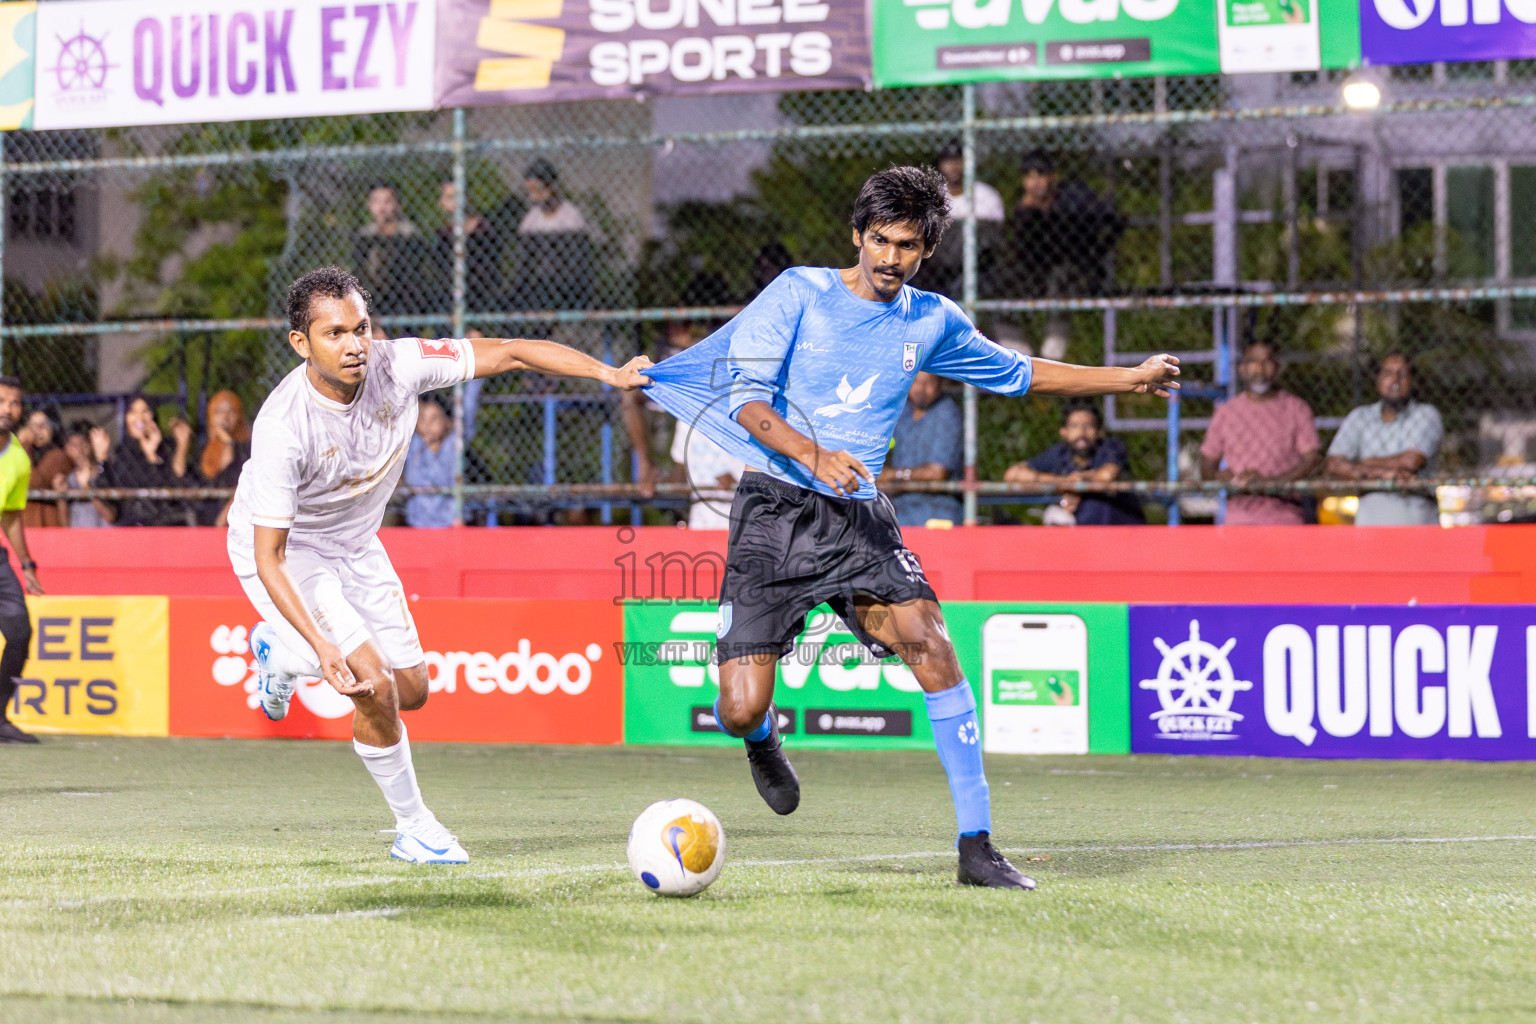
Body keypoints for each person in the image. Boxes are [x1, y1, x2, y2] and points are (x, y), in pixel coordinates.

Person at [641, 167, 1179, 891]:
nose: (892, 258)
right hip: (774, 511)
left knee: (933, 648)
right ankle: (763, 738)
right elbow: (744, 401)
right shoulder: (799, 293)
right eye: (882, 240)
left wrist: (1128, 377)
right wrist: (811, 453)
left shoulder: (932, 320)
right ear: (857, 236)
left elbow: (1020, 373)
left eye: (908, 246)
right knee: (739, 708)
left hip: (858, 517)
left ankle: (977, 845)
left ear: (926, 250)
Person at [228, 265, 649, 863]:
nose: (354, 345)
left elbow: (509, 352)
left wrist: (609, 374)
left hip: (357, 544)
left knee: (412, 692)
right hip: (291, 550)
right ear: (302, 343)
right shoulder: (282, 426)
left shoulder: (399, 364)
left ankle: (281, 654)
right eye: (334, 334)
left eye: (360, 328)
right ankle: (414, 827)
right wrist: (324, 647)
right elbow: (268, 556)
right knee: (373, 686)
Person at [1199, 342, 1322, 525]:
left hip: (1285, 516)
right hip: (1237, 518)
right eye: (1252, 361)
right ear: (1242, 369)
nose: (1259, 368)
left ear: (1277, 367)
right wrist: (1219, 477)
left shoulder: (1297, 409)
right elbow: (1207, 464)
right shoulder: (1226, 412)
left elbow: (1312, 459)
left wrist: (1270, 484)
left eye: (1266, 362)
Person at [1325, 353, 1444, 526]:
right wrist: (1385, 474)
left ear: (1412, 381)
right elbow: (1333, 464)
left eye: (1402, 374)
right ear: (1378, 380)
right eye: (1388, 373)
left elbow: (1410, 461)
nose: (1395, 380)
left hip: (1416, 521)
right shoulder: (1360, 417)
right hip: (1369, 523)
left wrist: (1361, 465)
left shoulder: (1426, 414)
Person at [1004, 401, 1144, 525]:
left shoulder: (1111, 447)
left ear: (1098, 431)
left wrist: (1079, 483)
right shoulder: (1059, 453)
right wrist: (1065, 482)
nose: (1081, 433)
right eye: (1074, 426)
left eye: (1088, 426)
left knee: (1093, 503)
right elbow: (1013, 474)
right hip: (1080, 533)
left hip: (1120, 529)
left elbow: (1105, 476)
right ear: (1063, 431)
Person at [0, 376, 45, 742]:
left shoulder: (18, 458)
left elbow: (11, 515)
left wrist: (27, 565)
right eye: (1, 400)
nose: (7, 409)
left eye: (14, 403)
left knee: (20, 632)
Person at [909, 142, 1005, 300]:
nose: (953, 167)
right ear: (940, 165)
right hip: (939, 265)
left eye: (958, 160)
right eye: (947, 161)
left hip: (982, 265)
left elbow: (994, 238)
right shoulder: (931, 197)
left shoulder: (987, 195)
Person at [509, 158, 595, 311]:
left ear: (551, 187)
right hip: (539, 285)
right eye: (530, 191)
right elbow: (524, 263)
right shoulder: (532, 218)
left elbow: (576, 262)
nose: (533, 197)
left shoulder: (570, 216)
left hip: (566, 284)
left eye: (538, 191)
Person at [879, 371, 963, 527]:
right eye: (916, 381)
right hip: (901, 513)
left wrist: (894, 475)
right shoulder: (903, 411)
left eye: (929, 382)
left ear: (940, 384)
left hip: (937, 514)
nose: (921, 388)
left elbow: (936, 473)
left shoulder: (947, 413)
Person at [99, 396, 196, 526]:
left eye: (145, 411)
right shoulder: (120, 455)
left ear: (153, 415)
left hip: (167, 526)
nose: (139, 417)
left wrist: (152, 456)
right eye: (133, 411)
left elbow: (177, 486)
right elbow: (117, 496)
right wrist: (102, 458)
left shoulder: (168, 448)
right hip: (132, 528)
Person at [353, 183, 426, 316]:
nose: (381, 208)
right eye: (376, 201)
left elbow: (412, 273)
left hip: (405, 297)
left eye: (387, 202)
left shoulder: (409, 234)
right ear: (369, 205)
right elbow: (360, 270)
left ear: (398, 204)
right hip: (373, 294)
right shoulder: (365, 235)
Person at [433, 180, 503, 312]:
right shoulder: (444, 234)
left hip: (483, 294)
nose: (443, 202)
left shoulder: (484, 229)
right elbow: (440, 269)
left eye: (451, 197)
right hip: (450, 296)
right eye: (445, 197)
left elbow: (490, 269)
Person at [197, 391, 251, 527]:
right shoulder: (203, 449)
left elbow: (233, 476)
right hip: (207, 512)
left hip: (236, 511)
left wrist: (229, 443)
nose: (224, 417)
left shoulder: (247, 449)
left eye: (231, 411)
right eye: (219, 412)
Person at [403, 398, 457, 528]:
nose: (427, 425)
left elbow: (444, 478)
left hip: (447, 520)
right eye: (423, 419)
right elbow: (412, 479)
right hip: (418, 521)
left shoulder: (453, 444)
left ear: (447, 422)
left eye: (434, 419)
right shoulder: (415, 443)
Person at [20, 407, 72, 527]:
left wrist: (23, 444)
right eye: (33, 426)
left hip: (48, 526)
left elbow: (34, 482)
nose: (38, 431)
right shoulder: (22, 453)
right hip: (26, 526)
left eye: (43, 425)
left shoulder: (58, 456)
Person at [62, 421, 113, 528]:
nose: (79, 450)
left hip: (104, 535)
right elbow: (65, 526)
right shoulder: (68, 478)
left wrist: (86, 487)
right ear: (67, 448)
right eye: (74, 445)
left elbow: (109, 516)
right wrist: (60, 497)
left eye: (83, 443)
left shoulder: (104, 473)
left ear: (91, 444)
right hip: (79, 536)